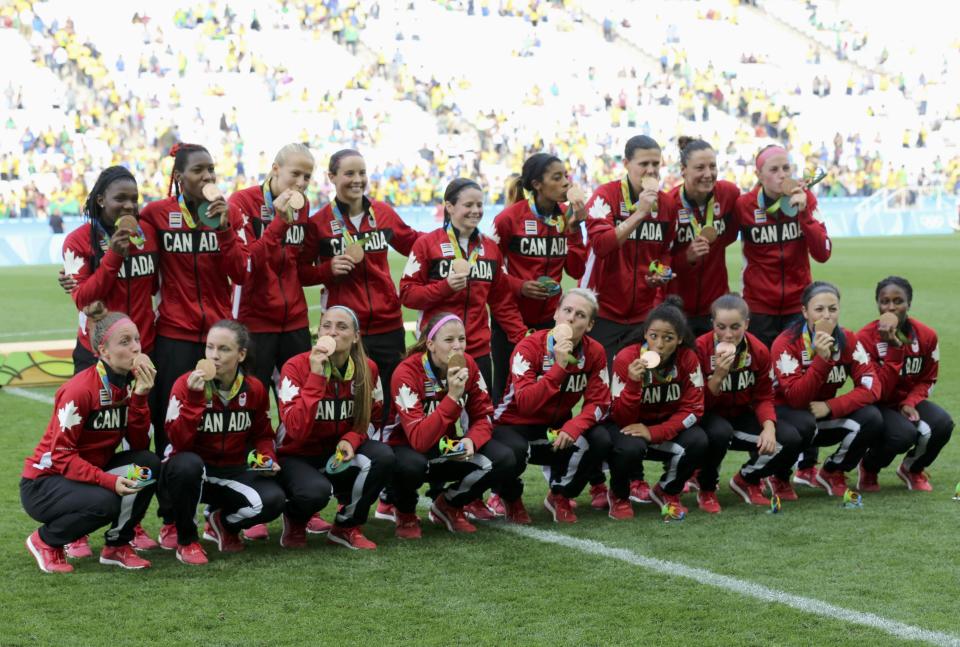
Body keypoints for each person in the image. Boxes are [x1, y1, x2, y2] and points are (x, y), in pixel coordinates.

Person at [21, 313, 160, 572]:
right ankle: (45, 541)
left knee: (148, 464)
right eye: (125, 341)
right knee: (105, 501)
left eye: (137, 340)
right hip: (44, 484)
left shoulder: (131, 385)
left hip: (86, 474)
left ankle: (118, 545)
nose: (136, 348)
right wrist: (109, 481)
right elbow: (62, 456)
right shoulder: (80, 390)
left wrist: (140, 398)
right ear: (103, 350)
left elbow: (139, 445)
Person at [138, 143, 248, 458]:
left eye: (210, 169)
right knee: (169, 418)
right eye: (198, 170)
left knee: (217, 418)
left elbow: (240, 273)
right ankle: (172, 495)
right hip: (174, 336)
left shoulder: (231, 213)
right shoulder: (156, 214)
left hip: (218, 338)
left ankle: (216, 495)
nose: (207, 176)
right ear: (180, 176)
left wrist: (226, 228)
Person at [300, 149, 422, 424]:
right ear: (331, 177)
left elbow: (414, 243)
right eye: (349, 173)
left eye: (362, 173)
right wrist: (327, 270)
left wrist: (452, 235)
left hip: (388, 324)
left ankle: (389, 455)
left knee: (392, 397)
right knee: (349, 398)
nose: (357, 180)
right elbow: (300, 273)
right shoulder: (318, 223)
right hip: (344, 330)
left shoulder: (383, 213)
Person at [158, 320, 284, 565]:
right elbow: (178, 443)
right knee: (187, 465)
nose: (214, 356)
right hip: (188, 473)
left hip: (232, 471)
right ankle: (187, 541)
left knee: (273, 501)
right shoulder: (185, 385)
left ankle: (221, 522)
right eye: (210, 347)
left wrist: (267, 458)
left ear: (241, 354)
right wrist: (195, 401)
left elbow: (262, 435)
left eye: (224, 349)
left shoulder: (255, 388)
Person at [383, 313, 515, 538]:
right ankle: (404, 510)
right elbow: (418, 440)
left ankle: (449, 504)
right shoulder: (406, 373)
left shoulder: (469, 366)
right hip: (406, 448)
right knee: (411, 465)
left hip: (445, 446)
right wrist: (453, 397)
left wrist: (470, 440)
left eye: (461, 339)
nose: (457, 346)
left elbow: (483, 416)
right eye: (449, 340)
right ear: (430, 344)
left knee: (504, 458)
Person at [275, 306, 395, 550]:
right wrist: (316, 377)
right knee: (314, 493)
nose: (333, 332)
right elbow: (295, 429)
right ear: (318, 332)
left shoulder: (368, 368)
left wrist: (352, 439)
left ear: (356, 336)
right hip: (297, 455)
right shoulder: (295, 367)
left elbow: (374, 420)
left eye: (342, 327)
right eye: (327, 326)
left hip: (339, 454)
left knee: (383, 456)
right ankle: (296, 518)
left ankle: (346, 526)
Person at [489, 288, 613, 523]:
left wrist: (574, 427)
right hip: (513, 425)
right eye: (566, 310)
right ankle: (510, 496)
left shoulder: (594, 352)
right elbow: (524, 404)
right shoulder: (528, 347)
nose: (571, 318)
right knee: (512, 452)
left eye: (580, 315)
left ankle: (560, 494)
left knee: (600, 439)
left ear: (589, 325)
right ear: (555, 314)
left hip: (556, 426)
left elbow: (599, 402)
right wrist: (559, 366)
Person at [399, 178, 527, 390]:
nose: (475, 210)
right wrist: (444, 288)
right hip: (436, 352)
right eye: (468, 205)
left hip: (478, 353)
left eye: (479, 205)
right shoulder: (427, 244)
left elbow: (503, 304)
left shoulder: (490, 249)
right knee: (437, 420)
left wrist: (524, 338)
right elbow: (407, 295)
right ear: (449, 207)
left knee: (481, 419)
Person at [490, 153, 587, 404]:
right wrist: (520, 286)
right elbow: (490, 272)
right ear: (536, 184)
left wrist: (575, 230)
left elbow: (576, 271)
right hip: (510, 321)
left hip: (549, 322)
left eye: (566, 176)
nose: (566, 182)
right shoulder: (508, 219)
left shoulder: (567, 217)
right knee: (506, 390)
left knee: (546, 389)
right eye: (557, 177)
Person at [693, 294, 804, 512]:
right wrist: (717, 377)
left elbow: (763, 396)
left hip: (741, 415)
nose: (728, 334)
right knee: (720, 432)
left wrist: (769, 428)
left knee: (789, 438)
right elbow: (695, 404)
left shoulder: (759, 350)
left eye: (735, 327)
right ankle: (706, 488)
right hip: (707, 417)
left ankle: (747, 479)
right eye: (721, 327)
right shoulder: (699, 348)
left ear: (747, 324)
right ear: (712, 324)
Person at [771, 282, 882, 497]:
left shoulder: (848, 339)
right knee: (803, 424)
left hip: (821, 414)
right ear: (805, 311)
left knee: (872, 418)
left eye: (833, 309)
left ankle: (832, 471)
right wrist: (822, 359)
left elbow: (872, 387)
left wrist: (831, 406)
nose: (827, 316)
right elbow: (795, 398)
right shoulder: (785, 343)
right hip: (786, 416)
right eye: (819, 309)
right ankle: (779, 476)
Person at [580, 135, 677, 368]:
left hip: (643, 315)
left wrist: (660, 273)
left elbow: (664, 253)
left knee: (636, 385)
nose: (651, 170)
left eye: (656, 163)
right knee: (602, 386)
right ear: (626, 164)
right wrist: (639, 214)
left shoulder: (666, 204)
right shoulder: (605, 196)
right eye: (644, 164)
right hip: (601, 312)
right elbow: (601, 246)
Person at [608, 296, 707, 518]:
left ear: (680, 339)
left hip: (663, 428)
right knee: (629, 447)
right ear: (645, 334)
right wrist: (634, 383)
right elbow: (619, 417)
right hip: (629, 426)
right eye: (653, 336)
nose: (660, 344)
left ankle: (666, 490)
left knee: (699, 440)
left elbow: (694, 409)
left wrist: (654, 432)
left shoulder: (688, 359)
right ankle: (619, 495)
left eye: (668, 338)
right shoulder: (626, 359)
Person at [229, 143, 315, 395]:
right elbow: (246, 266)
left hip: (295, 321)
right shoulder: (242, 202)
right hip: (254, 322)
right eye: (295, 174)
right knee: (251, 401)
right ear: (275, 170)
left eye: (307, 176)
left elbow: (297, 265)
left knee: (298, 401)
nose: (301, 183)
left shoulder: (304, 205)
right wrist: (279, 222)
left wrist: (329, 269)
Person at [856, 276, 953, 491]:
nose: (891, 307)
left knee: (943, 423)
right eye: (885, 301)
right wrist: (894, 347)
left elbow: (928, 378)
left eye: (898, 301)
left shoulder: (927, 336)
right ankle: (869, 467)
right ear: (878, 304)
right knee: (902, 435)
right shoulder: (864, 338)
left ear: (909, 303)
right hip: (877, 404)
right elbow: (876, 390)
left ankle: (912, 468)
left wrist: (910, 402)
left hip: (907, 400)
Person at [60, 167, 158, 374]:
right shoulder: (77, 240)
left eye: (134, 199)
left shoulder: (148, 233)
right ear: (101, 200)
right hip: (98, 352)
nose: (129, 206)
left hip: (143, 349)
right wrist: (114, 256)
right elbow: (83, 299)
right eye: (120, 198)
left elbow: (155, 286)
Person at [735, 145, 832, 348]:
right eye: (774, 170)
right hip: (758, 308)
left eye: (786, 168)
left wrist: (804, 213)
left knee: (795, 373)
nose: (782, 175)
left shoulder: (806, 199)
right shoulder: (744, 205)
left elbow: (823, 253)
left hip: (798, 307)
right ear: (759, 175)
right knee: (763, 374)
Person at [664, 138, 741, 336]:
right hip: (677, 308)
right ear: (683, 169)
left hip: (716, 308)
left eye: (712, 166)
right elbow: (657, 263)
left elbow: (731, 234)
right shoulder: (669, 205)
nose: (708, 174)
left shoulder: (728, 194)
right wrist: (686, 258)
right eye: (700, 168)